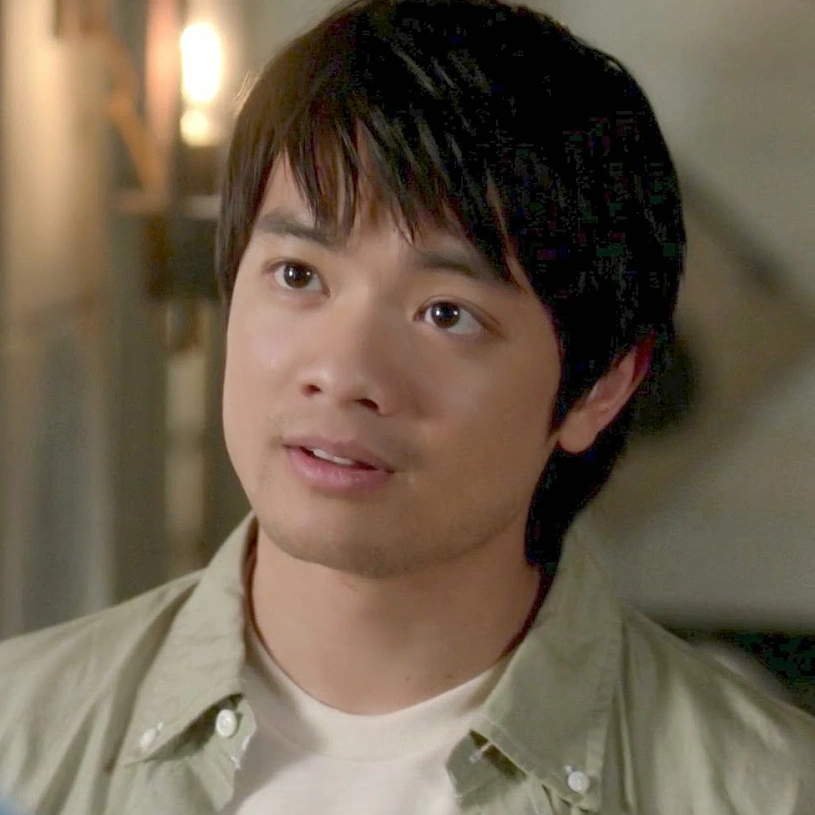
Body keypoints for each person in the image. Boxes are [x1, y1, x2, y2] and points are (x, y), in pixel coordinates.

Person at [1, 1, 814, 813]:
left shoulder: (763, 791)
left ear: (599, 385)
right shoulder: (20, 737)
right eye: (297, 275)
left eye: (447, 313)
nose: (342, 371)